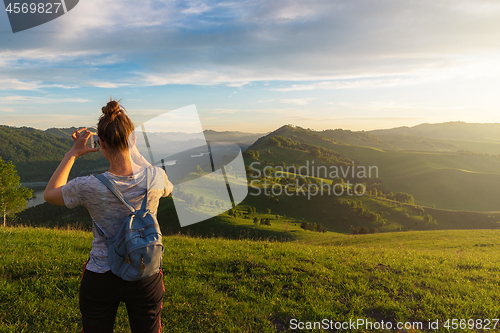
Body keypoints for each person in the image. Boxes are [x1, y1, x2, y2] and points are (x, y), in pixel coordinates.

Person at [44, 100, 173, 333]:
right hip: (145, 270)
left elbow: (50, 194)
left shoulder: (89, 186)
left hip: (101, 274)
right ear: (133, 140)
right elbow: (169, 187)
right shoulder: (157, 177)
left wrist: (73, 153)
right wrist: (132, 149)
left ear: (100, 144)